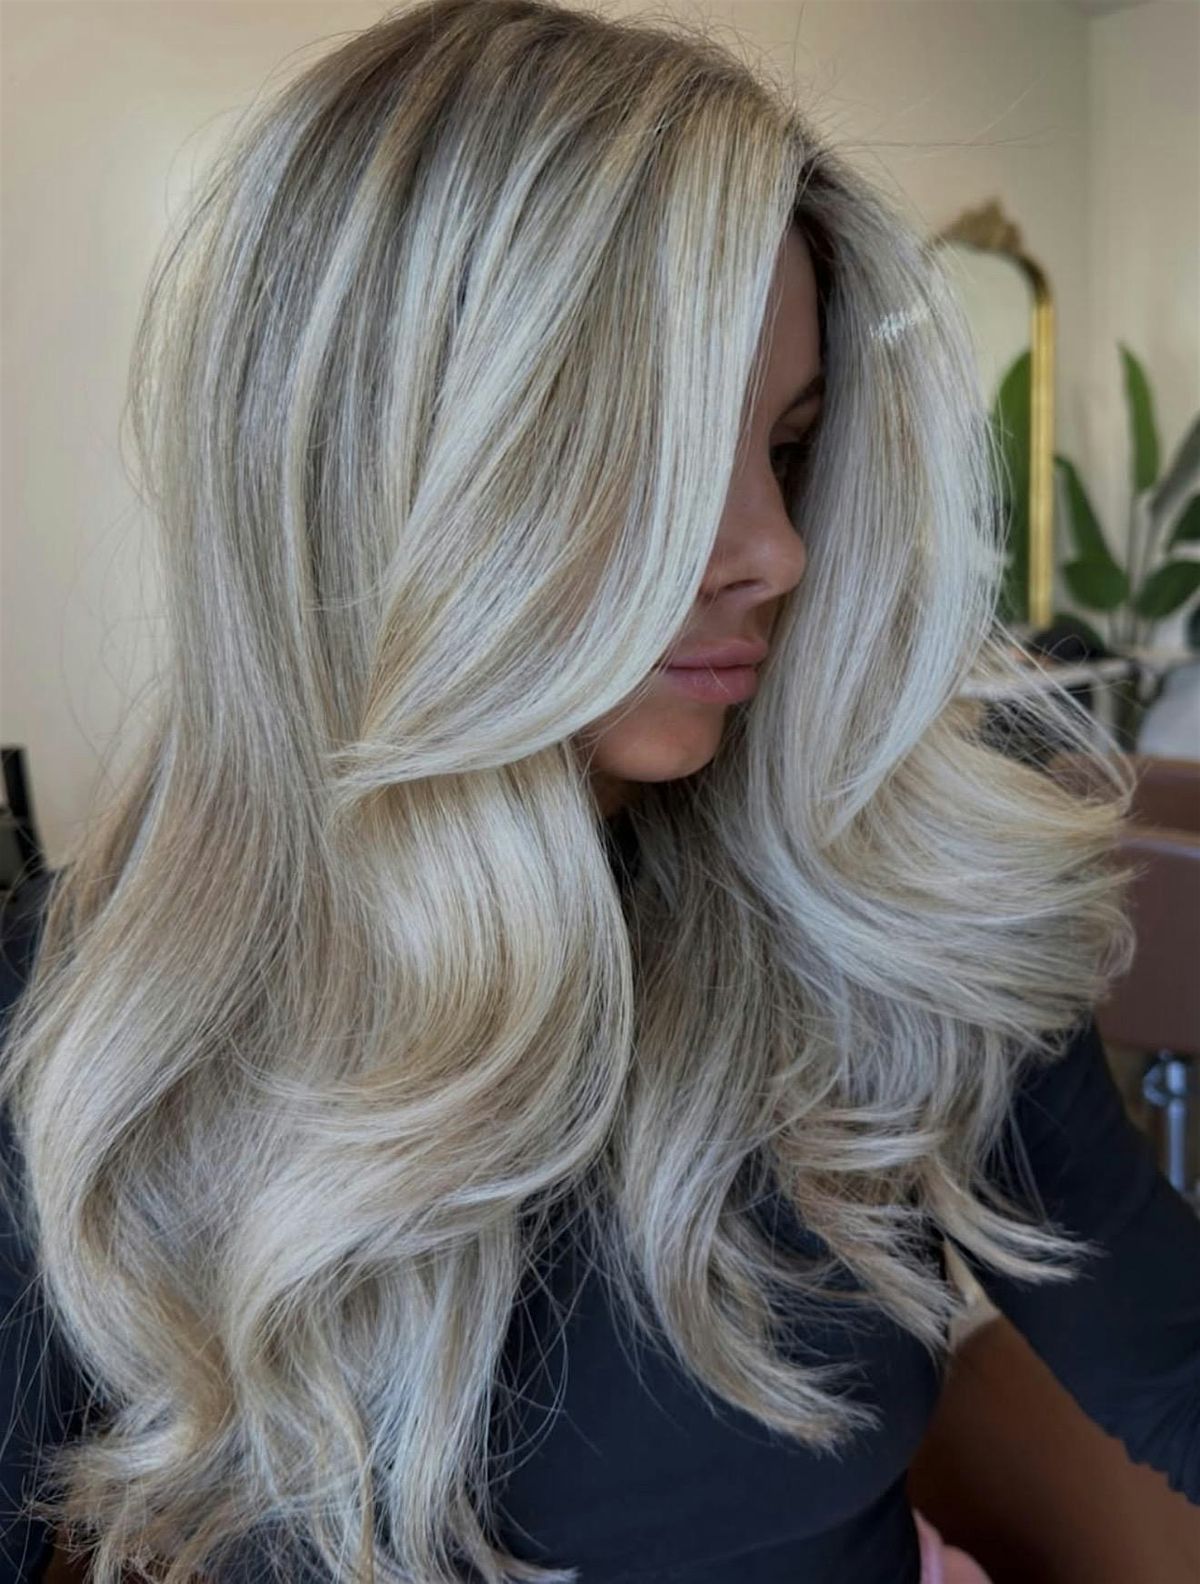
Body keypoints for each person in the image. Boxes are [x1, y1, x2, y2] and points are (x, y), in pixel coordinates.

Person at [2, 3, 1198, 1582]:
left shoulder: (890, 917)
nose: (777, 549)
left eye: (789, 447)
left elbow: (1169, 1357)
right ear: (385, 472)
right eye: (657, 454)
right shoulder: (94, 1042)